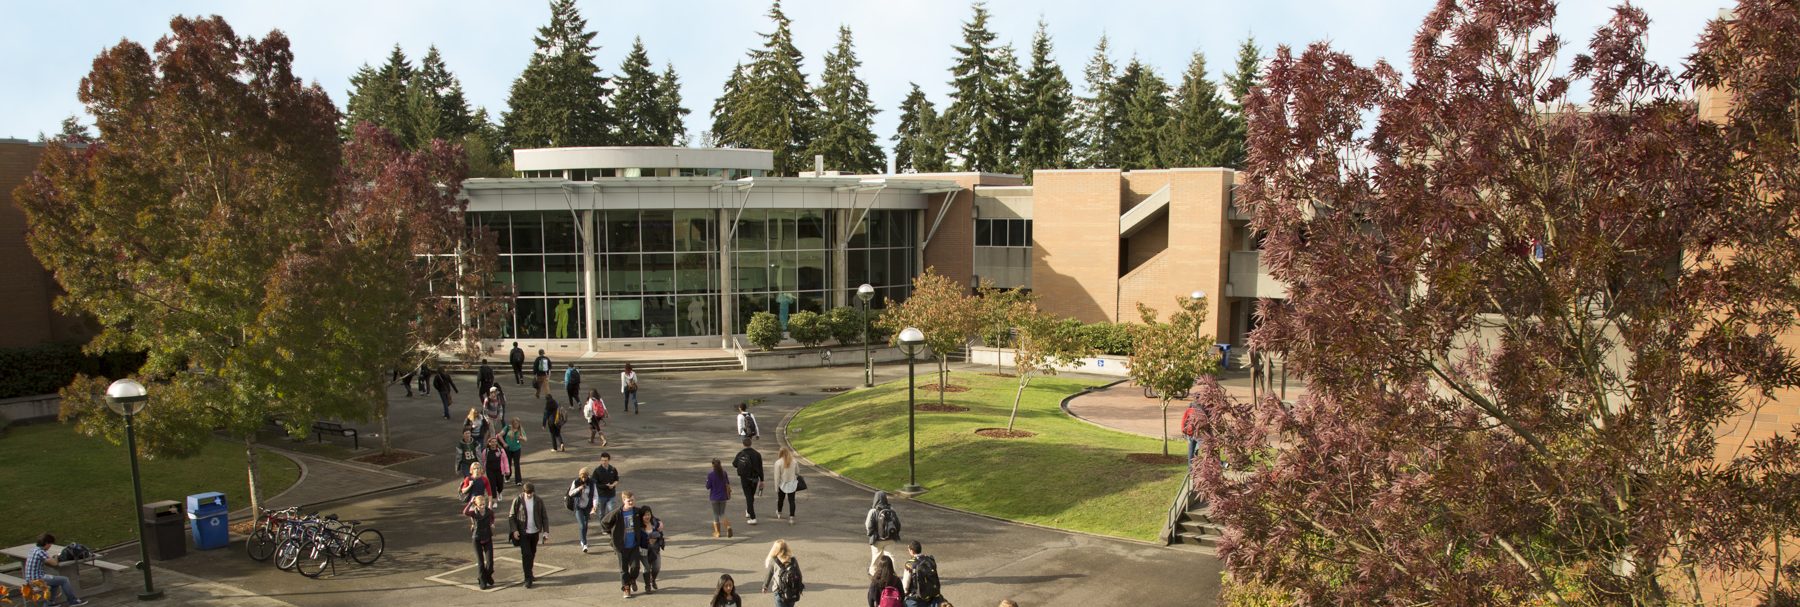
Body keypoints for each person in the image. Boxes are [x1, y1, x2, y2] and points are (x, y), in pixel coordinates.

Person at [599, 491, 645, 598]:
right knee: (623, 570)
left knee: (635, 567)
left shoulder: (637, 512)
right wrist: (613, 534)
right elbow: (604, 522)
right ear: (624, 500)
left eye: (633, 500)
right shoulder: (617, 513)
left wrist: (658, 523)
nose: (631, 502)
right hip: (621, 547)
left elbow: (649, 517)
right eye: (629, 500)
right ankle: (626, 588)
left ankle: (632, 579)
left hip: (634, 546)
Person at [23, 533, 87, 607]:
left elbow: (46, 561)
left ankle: (49, 604)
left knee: (55, 583)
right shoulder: (41, 552)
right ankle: (73, 601)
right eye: (50, 544)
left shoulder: (34, 549)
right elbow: (55, 564)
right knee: (64, 580)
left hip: (30, 578)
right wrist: (56, 556)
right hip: (37, 579)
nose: (50, 546)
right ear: (46, 543)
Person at [509, 482, 550, 588]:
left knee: (532, 553)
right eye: (527, 493)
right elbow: (511, 516)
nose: (529, 495)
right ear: (523, 492)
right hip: (523, 532)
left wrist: (545, 532)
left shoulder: (538, 501)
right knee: (526, 554)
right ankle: (527, 578)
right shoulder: (518, 500)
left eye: (531, 493)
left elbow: (544, 516)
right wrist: (514, 530)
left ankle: (530, 573)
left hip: (535, 532)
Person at [463, 495, 497, 589]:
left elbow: (492, 517)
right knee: (481, 562)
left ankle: (487, 576)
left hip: (487, 537)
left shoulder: (488, 512)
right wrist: (470, 502)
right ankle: (482, 581)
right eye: (480, 505)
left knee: (490, 563)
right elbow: (465, 512)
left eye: (483, 504)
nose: (482, 507)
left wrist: (492, 523)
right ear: (476, 505)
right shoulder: (474, 513)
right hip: (477, 538)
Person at [866, 491, 902, 575]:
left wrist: (871, 534)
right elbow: (898, 524)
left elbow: (868, 526)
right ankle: (895, 574)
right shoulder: (891, 509)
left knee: (876, 558)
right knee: (891, 557)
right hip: (890, 538)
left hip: (877, 540)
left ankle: (873, 575)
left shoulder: (873, 511)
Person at [762, 539, 804, 607]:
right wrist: (800, 588)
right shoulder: (793, 560)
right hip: (792, 591)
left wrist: (765, 586)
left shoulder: (774, 560)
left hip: (779, 591)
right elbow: (799, 574)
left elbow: (769, 574)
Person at [902, 541, 944, 607]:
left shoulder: (909, 564)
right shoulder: (930, 560)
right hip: (932, 596)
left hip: (916, 598)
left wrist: (904, 595)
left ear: (912, 551)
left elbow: (905, 585)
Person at [733, 437, 764, 525]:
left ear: (743, 444)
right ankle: (748, 510)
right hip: (754, 479)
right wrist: (762, 480)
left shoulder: (741, 454)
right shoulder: (757, 454)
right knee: (751, 496)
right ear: (751, 443)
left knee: (748, 496)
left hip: (745, 479)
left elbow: (734, 464)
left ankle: (753, 517)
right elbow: (760, 468)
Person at [568, 467, 600, 552]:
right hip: (578, 507)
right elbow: (570, 493)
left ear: (588, 476)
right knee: (582, 525)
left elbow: (595, 496)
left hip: (587, 507)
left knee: (585, 525)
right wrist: (579, 488)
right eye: (582, 477)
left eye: (585, 477)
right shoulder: (575, 482)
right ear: (579, 476)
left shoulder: (592, 483)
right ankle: (584, 543)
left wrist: (594, 506)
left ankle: (583, 539)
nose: (583, 479)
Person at [639, 505, 665, 593]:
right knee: (646, 568)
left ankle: (653, 579)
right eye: (645, 515)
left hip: (655, 550)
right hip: (644, 551)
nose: (647, 517)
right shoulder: (638, 526)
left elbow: (660, 533)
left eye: (649, 514)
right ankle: (647, 586)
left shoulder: (655, 522)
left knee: (656, 568)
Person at [706, 458, 733, 538]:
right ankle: (728, 526)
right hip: (723, 497)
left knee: (716, 514)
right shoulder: (724, 473)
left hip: (714, 497)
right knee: (722, 513)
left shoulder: (711, 475)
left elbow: (708, 486)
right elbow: (727, 483)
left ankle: (717, 532)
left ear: (712, 465)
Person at [773, 446, 800, 524]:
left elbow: (777, 476)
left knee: (780, 499)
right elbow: (798, 472)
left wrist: (776, 487)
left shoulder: (778, 462)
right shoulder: (794, 461)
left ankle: (779, 512)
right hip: (792, 483)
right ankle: (791, 517)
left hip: (782, 484)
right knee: (792, 501)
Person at [479, 435, 511, 500]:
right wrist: (482, 470)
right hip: (490, 470)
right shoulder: (485, 451)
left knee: (500, 484)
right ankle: (494, 498)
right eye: (492, 442)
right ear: (489, 443)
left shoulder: (501, 450)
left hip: (499, 470)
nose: (494, 443)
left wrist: (507, 470)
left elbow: (505, 460)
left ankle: (499, 492)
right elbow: (483, 461)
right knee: (492, 484)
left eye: (495, 442)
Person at [593, 452, 621, 520]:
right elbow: (594, 483)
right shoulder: (597, 471)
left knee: (611, 512)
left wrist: (613, 485)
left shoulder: (613, 469)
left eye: (605, 460)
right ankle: (603, 528)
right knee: (601, 513)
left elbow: (616, 479)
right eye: (602, 460)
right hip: (601, 495)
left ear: (608, 460)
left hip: (611, 495)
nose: (604, 462)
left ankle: (609, 528)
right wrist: (605, 486)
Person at [502, 417, 527, 485]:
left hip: (517, 449)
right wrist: (504, 443)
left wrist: (521, 438)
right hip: (508, 449)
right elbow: (499, 435)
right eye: (515, 423)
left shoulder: (520, 429)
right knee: (508, 463)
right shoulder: (507, 428)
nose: (516, 425)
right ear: (512, 423)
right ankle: (507, 476)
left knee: (517, 464)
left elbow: (525, 439)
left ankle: (518, 480)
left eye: (517, 423)